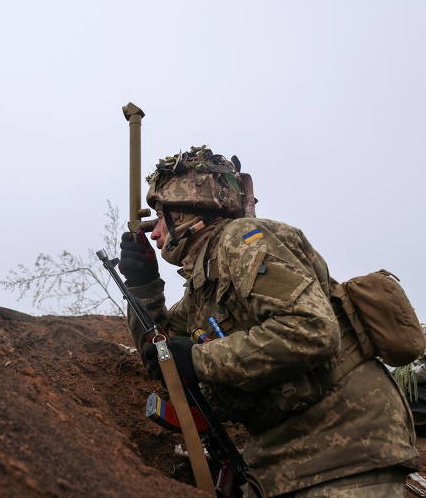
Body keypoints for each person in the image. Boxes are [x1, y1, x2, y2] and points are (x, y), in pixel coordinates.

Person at [119, 146, 419, 497]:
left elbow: (312, 330)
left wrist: (199, 358)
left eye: (159, 219)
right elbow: (164, 361)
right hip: (289, 463)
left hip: (345, 452)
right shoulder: (205, 283)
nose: (154, 235)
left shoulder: (242, 242)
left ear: (186, 214)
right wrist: (143, 286)